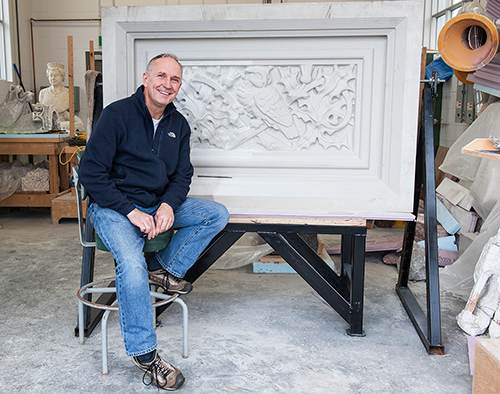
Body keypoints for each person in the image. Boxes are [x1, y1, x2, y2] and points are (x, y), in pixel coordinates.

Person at [79, 53, 230, 390]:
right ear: (146, 78)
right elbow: (91, 173)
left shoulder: (179, 125)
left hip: (153, 205)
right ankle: (146, 356)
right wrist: (130, 211)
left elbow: (182, 176)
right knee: (131, 263)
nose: (168, 84)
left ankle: (162, 270)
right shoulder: (116, 115)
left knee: (215, 215)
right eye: (161, 76)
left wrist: (167, 206)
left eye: (175, 79)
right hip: (113, 208)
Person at [38, 62, 85, 131]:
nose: (53, 78)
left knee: (80, 124)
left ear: (62, 77)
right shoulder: (43, 93)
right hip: (47, 121)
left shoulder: (67, 92)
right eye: (50, 75)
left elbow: (68, 115)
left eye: (56, 75)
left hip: (62, 118)